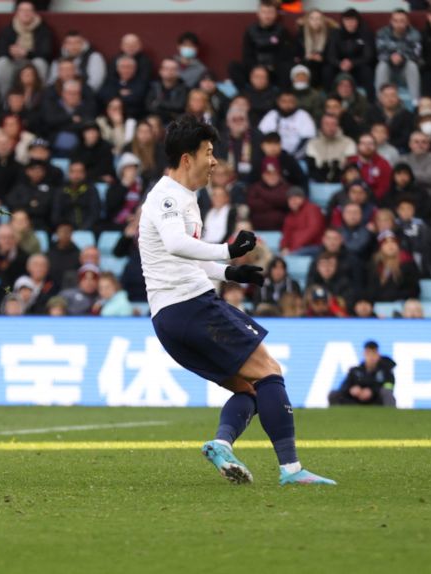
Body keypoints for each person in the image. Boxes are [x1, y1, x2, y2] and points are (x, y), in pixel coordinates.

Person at [140, 115, 334, 486]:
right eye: (208, 153)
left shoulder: (185, 197)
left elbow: (182, 258)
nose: (214, 161)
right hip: (191, 308)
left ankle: (221, 443)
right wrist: (228, 251)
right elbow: (175, 244)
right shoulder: (168, 195)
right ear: (186, 157)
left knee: (250, 389)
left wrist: (229, 273)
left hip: (170, 319)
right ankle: (292, 470)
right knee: (270, 372)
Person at [0, 1, 52, 95]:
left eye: (29, 10)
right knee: (2, 63)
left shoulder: (43, 30)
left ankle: (38, 99)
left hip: (32, 62)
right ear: (17, 13)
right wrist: (11, 52)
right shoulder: (8, 29)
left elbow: (46, 53)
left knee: (41, 63)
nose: (26, 13)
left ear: (34, 13)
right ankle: (6, 100)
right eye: (22, 10)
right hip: (14, 62)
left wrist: (26, 53)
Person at [374, 10, 422, 104]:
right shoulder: (382, 33)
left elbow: (417, 54)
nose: (398, 24)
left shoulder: (414, 34)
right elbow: (379, 52)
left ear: (407, 22)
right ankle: (380, 101)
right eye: (395, 21)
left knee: (412, 65)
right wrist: (390, 58)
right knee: (382, 65)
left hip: (405, 73)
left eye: (402, 21)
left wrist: (402, 57)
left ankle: (415, 102)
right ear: (391, 21)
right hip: (389, 71)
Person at [328, 340, 397, 407]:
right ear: (364, 354)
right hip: (354, 402)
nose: (371, 357)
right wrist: (351, 390)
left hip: (376, 402)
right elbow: (343, 387)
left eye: (373, 353)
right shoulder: (355, 371)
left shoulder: (386, 371)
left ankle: (391, 416)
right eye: (368, 353)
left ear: (378, 355)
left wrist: (372, 391)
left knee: (387, 393)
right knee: (333, 394)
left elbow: (389, 386)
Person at [324, 8, 374, 96]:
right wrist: (339, 63)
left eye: (352, 20)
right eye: (347, 20)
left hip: (357, 66)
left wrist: (352, 63)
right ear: (342, 21)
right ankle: (329, 98)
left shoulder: (365, 34)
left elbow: (368, 56)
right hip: (339, 66)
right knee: (328, 70)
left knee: (367, 70)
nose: (350, 23)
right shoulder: (335, 34)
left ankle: (371, 101)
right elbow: (331, 55)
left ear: (358, 21)